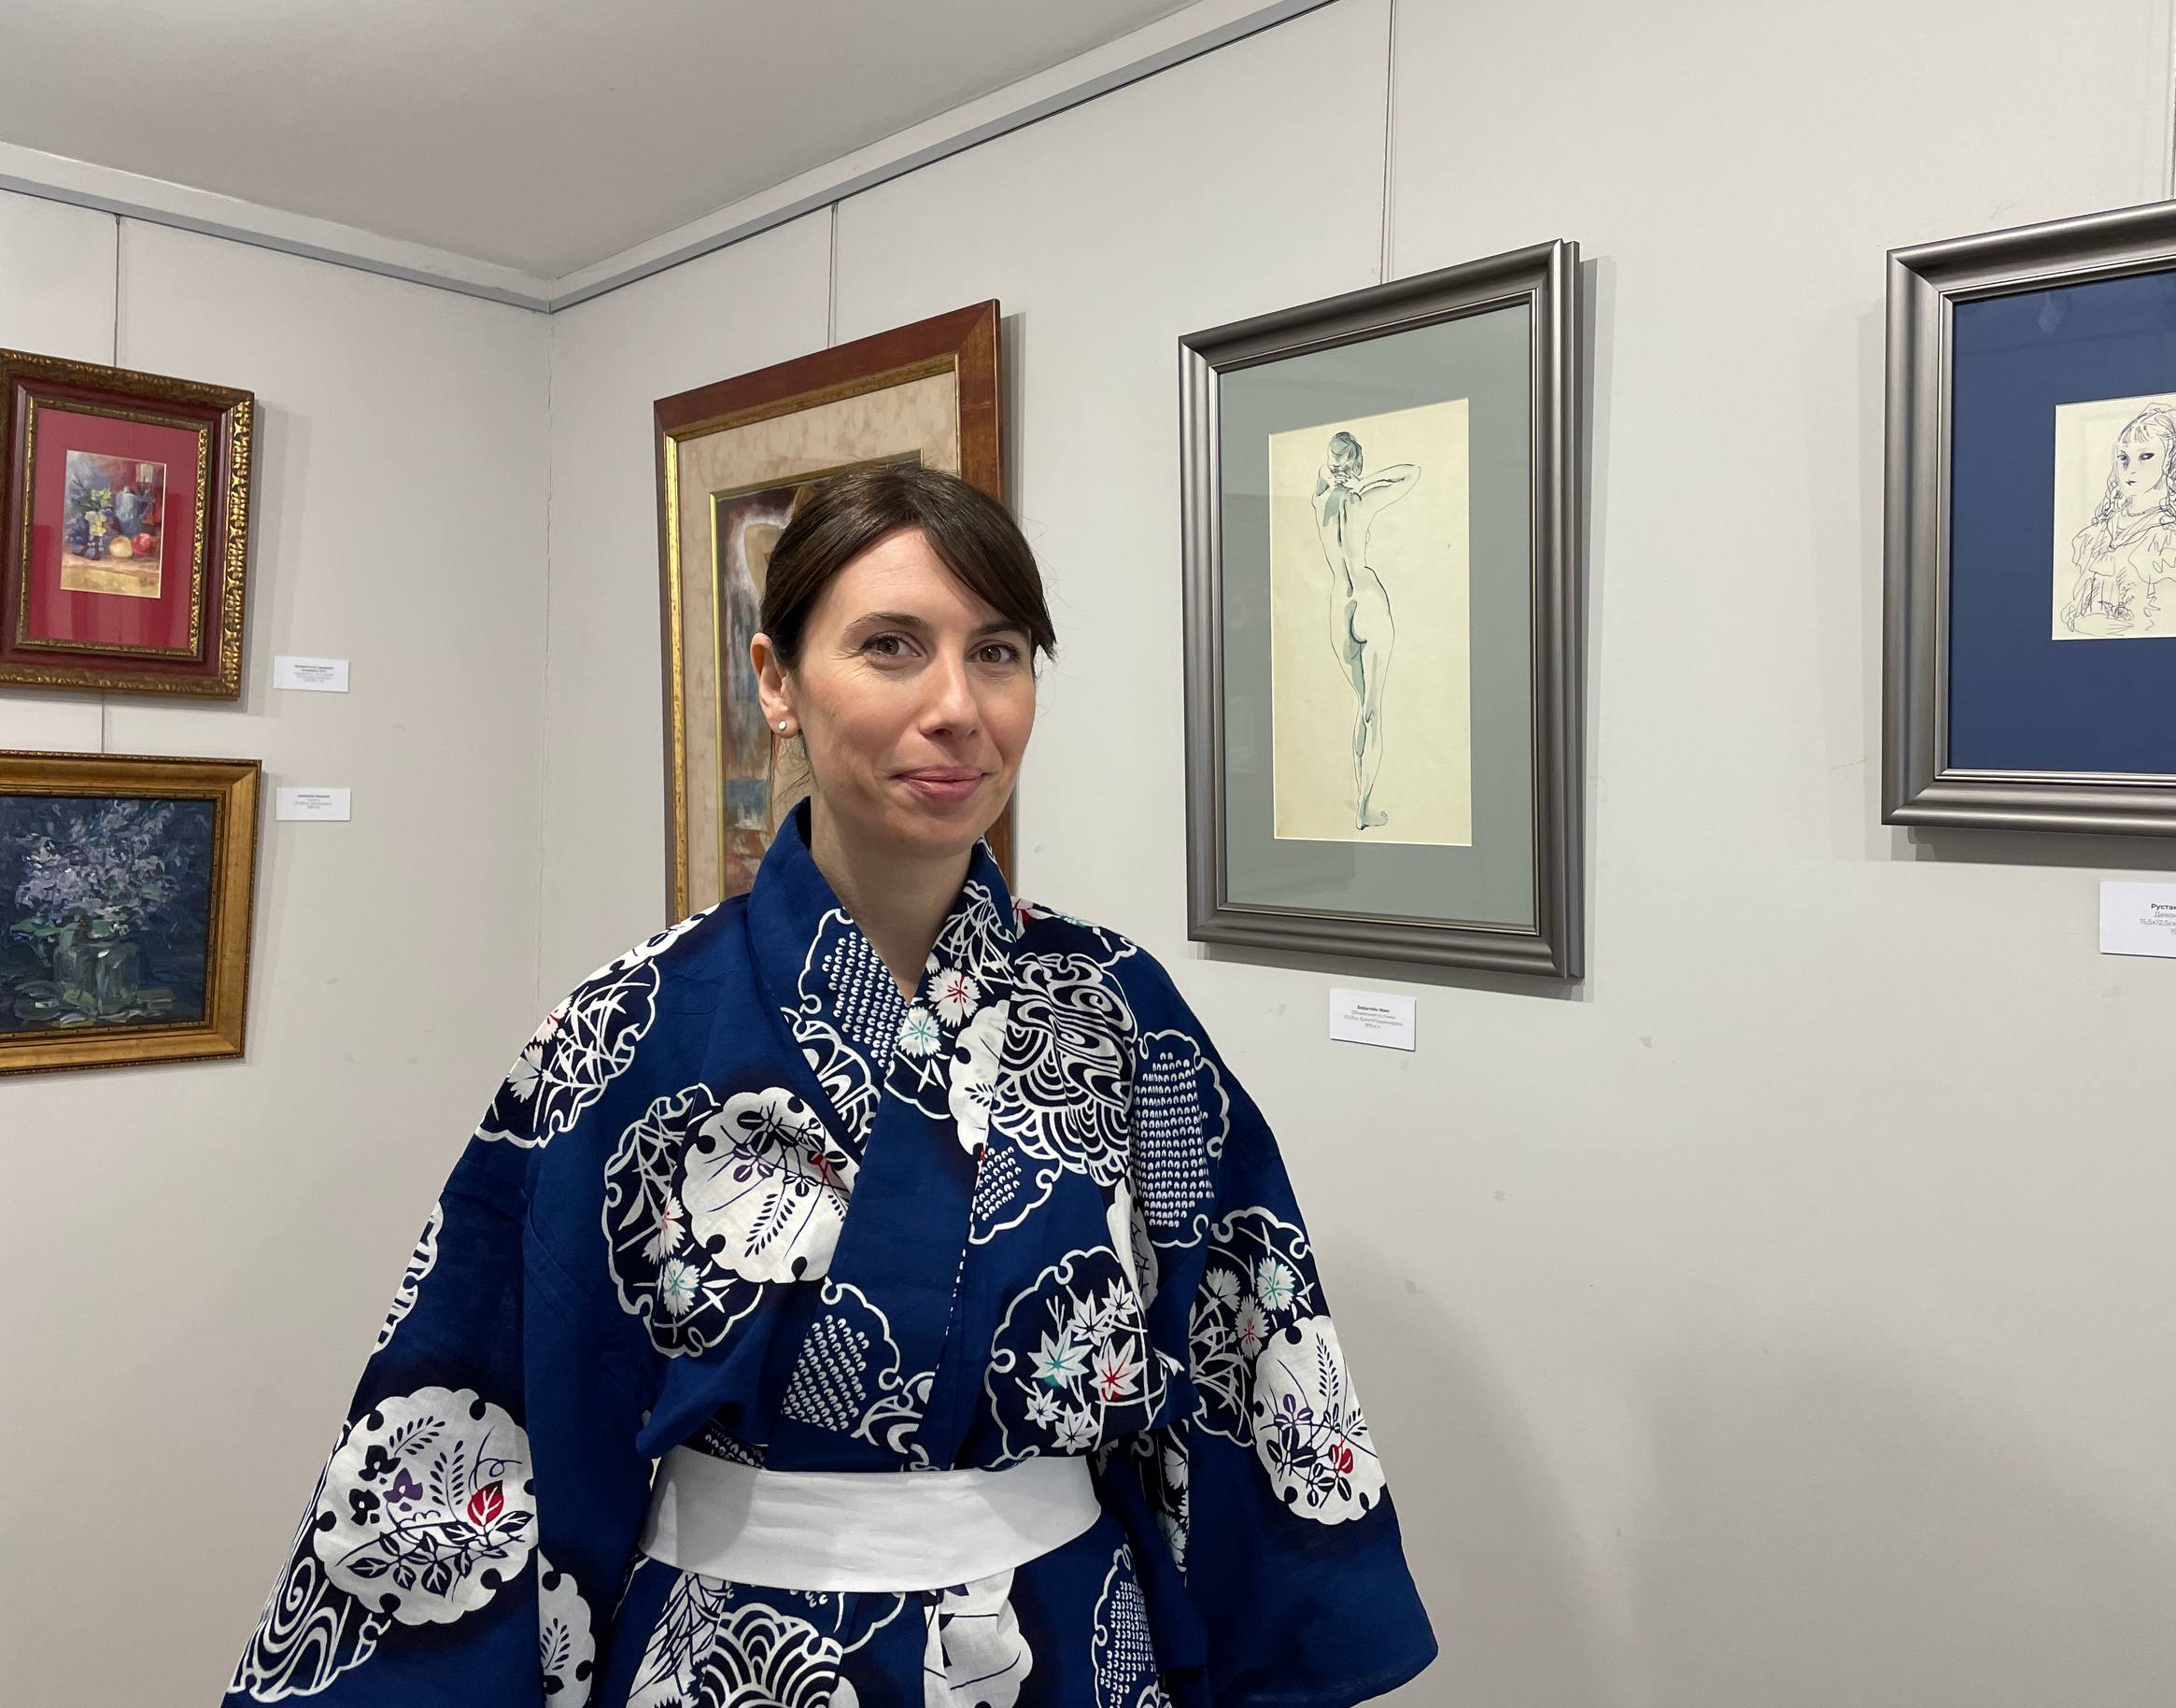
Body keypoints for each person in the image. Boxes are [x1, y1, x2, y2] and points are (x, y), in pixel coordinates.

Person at [223, 460, 1436, 1708]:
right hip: (737, 1656)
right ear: (778, 681)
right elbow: (493, 1399)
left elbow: (1243, 1348)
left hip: (1067, 1645)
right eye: (891, 647)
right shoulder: (632, 1022)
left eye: (998, 652)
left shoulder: (1119, 1010)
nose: (956, 707)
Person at [1309, 433, 1420, 829]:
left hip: (1340, 606)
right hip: (1368, 600)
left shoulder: (1321, 500)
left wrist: (1336, 475)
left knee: (1362, 707)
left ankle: (1362, 800)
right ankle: (1364, 807)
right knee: (1372, 710)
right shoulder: (1361, 500)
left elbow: (1321, 478)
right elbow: (1411, 473)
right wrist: (1364, 480)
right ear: (1355, 465)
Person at [2060, 402, 2176, 635]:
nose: (2130, 469)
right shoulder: (2094, 535)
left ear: (2170, 461)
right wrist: (2077, 623)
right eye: (2123, 457)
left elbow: (2170, 623)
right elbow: (2069, 605)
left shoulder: (2173, 539)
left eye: (2146, 456)